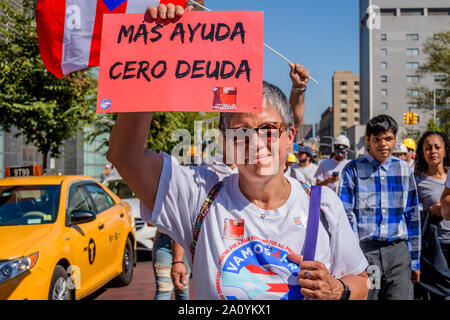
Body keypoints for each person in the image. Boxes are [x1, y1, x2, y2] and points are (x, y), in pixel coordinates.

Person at [107, 4, 369, 301]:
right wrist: (152, 53)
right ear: (226, 143)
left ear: (289, 137)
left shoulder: (323, 207)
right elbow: (125, 156)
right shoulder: (199, 196)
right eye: (241, 133)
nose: (256, 142)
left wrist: (339, 290)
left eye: (269, 129)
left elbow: (360, 281)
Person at [339, 114, 420, 300]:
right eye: (377, 139)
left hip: (398, 253)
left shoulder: (404, 169)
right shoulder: (353, 170)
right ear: (368, 140)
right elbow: (345, 215)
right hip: (367, 254)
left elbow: (412, 215)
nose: (383, 144)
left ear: (395, 139)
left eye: (388, 139)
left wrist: (415, 261)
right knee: (368, 296)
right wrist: (352, 257)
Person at [413, 131, 450, 300]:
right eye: (428, 148)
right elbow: (412, 217)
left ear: (445, 151)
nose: (433, 151)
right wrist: (431, 212)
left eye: (437, 147)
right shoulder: (417, 182)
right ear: (422, 152)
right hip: (437, 247)